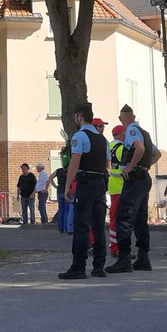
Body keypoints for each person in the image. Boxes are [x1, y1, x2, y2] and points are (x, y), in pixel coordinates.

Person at [57, 102, 109, 279]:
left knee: (81, 226)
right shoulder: (103, 139)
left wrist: (67, 186)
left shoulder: (80, 136)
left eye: (75, 117)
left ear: (80, 117)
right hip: (100, 183)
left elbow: (74, 162)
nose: (75, 120)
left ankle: (78, 266)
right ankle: (99, 266)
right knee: (98, 226)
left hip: (86, 184)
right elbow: (107, 165)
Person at [107, 104, 157, 274]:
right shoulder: (145, 133)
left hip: (135, 180)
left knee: (124, 217)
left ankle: (124, 259)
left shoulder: (131, 131)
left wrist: (130, 167)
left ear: (122, 119)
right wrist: (145, 166)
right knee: (140, 220)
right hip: (143, 178)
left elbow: (140, 148)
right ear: (134, 116)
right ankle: (143, 258)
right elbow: (157, 154)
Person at [107, 124, 125, 256]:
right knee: (120, 220)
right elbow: (125, 168)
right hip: (121, 186)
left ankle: (114, 246)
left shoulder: (108, 146)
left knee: (113, 218)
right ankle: (117, 248)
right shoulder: (122, 148)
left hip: (112, 185)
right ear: (121, 134)